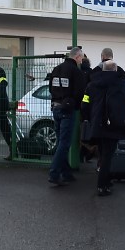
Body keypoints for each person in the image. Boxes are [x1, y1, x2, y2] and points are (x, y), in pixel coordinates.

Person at [81, 60, 125, 196]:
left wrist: (89, 117)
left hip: (98, 124)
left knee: (103, 153)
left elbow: (85, 102)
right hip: (113, 125)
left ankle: (106, 181)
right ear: (115, 70)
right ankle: (102, 185)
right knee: (108, 155)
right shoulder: (120, 84)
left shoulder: (92, 84)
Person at [47, 47, 86, 185]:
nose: (82, 60)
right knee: (64, 143)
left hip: (55, 107)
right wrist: (75, 105)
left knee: (60, 142)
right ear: (77, 57)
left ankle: (66, 173)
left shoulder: (57, 69)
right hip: (68, 110)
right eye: (81, 58)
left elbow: (51, 88)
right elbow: (80, 93)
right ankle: (54, 173)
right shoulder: (76, 72)